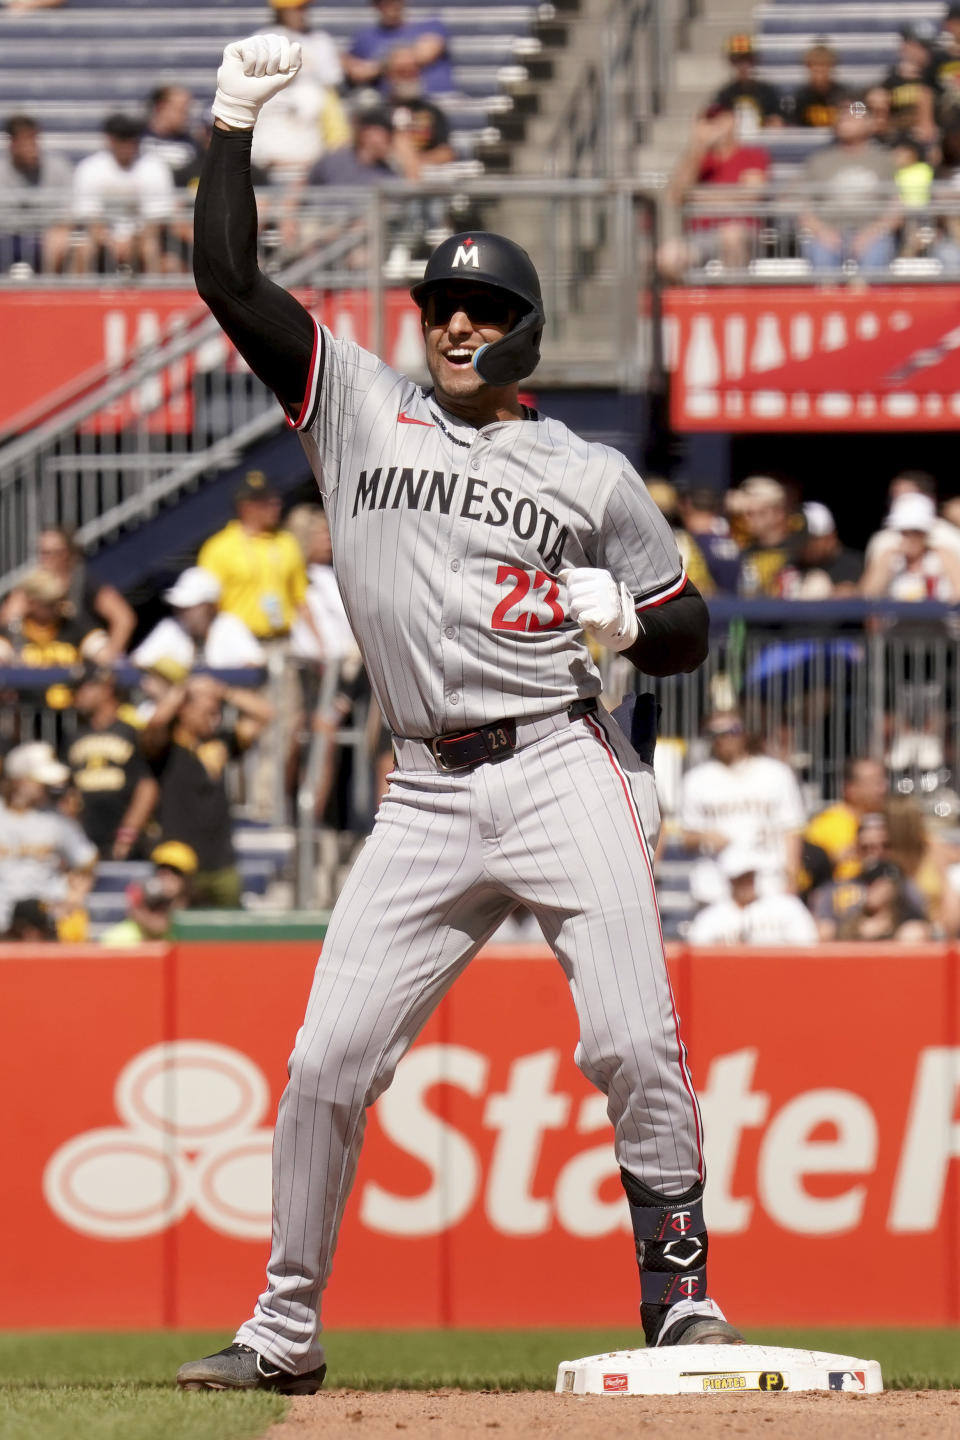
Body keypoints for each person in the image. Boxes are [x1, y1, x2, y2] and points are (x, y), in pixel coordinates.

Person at [177, 33, 739, 1394]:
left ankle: (680, 1299)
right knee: (322, 1064)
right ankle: (285, 1333)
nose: (455, 322)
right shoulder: (358, 406)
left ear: (527, 328)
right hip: (425, 789)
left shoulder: (590, 472)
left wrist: (624, 632)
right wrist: (232, 129)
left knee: (630, 1037)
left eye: (480, 307)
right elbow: (231, 280)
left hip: (558, 761)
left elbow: (684, 633)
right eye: (438, 304)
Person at [142, 673, 272, 908]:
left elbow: (265, 714)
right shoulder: (167, 745)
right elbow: (155, 725)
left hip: (222, 859)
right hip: (178, 860)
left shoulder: (220, 742)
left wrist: (223, 692)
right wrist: (183, 690)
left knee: (229, 935)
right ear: (184, 711)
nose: (215, 719)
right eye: (207, 713)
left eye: (217, 712)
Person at [679, 710, 807, 898]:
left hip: (768, 880)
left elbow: (791, 828)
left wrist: (792, 877)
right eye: (714, 734)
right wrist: (704, 836)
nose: (723, 739)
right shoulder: (695, 780)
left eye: (731, 731)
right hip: (716, 884)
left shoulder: (776, 773)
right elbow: (685, 837)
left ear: (744, 733)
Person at [658, 102, 770, 280]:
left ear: (733, 121)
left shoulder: (752, 155)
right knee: (668, 256)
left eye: (720, 119)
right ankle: (689, 304)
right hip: (701, 235)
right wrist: (698, 146)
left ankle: (732, 302)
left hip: (743, 232)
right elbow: (675, 196)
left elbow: (751, 197)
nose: (714, 125)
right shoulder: (698, 159)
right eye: (710, 120)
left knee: (731, 235)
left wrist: (698, 197)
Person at [0, 742, 97, 940]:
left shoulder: (57, 820)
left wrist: (73, 897)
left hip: (46, 920)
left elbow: (87, 860)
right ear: (19, 781)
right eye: (40, 782)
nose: (48, 787)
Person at [63, 662, 158, 860]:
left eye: (83, 687)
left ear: (106, 687)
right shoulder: (74, 736)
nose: (77, 694)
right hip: (87, 841)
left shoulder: (132, 730)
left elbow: (147, 786)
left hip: (128, 841)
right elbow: (70, 793)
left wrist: (127, 834)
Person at [0, 527, 135, 662]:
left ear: (67, 553)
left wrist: (109, 656)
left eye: (51, 553)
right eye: (41, 552)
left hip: (79, 656)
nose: (44, 558)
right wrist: (14, 614)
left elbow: (123, 618)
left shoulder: (84, 581)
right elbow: (6, 620)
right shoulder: (30, 586)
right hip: (35, 657)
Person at [799, 98, 900, 273]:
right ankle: (827, 298)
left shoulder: (884, 161)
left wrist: (871, 234)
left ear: (869, 122)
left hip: (873, 232)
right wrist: (822, 232)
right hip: (827, 233)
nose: (846, 118)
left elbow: (896, 207)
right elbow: (803, 207)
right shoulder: (819, 161)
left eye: (854, 114)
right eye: (842, 114)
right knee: (821, 257)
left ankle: (867, 299)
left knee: (876, 256)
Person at [70, 113, 176, 275]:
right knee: (83, 250)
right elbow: (90, 217)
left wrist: (133, 241)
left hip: (142, 238)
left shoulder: (154, 167)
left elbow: (156, 220)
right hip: (102, 239)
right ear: (110, 140)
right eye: (122, 138)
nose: (128, 144)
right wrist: (110, 241)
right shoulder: (90, 168)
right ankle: (79, 298)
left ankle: (152, 296)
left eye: (132, 138)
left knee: (151, 248)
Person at [132, 567, 265, 672]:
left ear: (210, 606)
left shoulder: (229, 625)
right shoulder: (172, 627)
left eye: (190, 607)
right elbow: (137, 662)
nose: (183, 612)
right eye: (180, 607)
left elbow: (255, 664)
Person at [687, 848, 818, 946]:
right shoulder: (710, 918)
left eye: (749, 877)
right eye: (739, 879)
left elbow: (808, 948)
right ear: (729, 880)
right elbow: (698, 956)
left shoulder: (787, 906)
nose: (746, 883)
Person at [0, 115, 73, 274]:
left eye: (33, 139)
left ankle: (54, 294)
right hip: (8, 235)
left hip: (48, 235)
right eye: (24, 140)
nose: (31, 146)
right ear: (12, 143)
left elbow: (69, 210)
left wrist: (59, 227)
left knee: (66, 241)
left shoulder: (58, 167)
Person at [0, 569, 108, 672]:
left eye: (60, 600)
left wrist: (100, 654)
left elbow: (102, 651)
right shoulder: (14, 628)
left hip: (68, 689)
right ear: (32, 603)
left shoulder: (70, 624)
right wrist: (9, 617)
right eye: (51, 603)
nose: (58, 607)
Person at [860, 491, 960, 602]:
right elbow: (867, 595)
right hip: (898, 618)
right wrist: (884, 564)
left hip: (937, 618)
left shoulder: (943, 556)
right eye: (904, 532)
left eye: (915, 532)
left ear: (926, 533)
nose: (910, 538)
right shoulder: (889, 558)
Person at [343, 0, 453, 97]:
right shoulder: (365, 39)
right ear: (374, 4)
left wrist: (376, 67)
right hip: (390, 108)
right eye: (382, 1)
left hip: (437, 100)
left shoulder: (431, 26)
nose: (389, 4)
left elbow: (426, 52)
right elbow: (355, 71)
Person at [804, 756, 888, 883]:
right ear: (849, 788)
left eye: (883, 780)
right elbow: (805, 871)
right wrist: (833, 859)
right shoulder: (825, 824)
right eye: (874, 782)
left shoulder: (893, 820)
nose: (883, 788)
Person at [100, 843, 197, 946]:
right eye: (161, 869)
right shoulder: (117, 940)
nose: (166, 876)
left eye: (175, 871)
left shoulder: (193, 933)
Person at [734, 476, 804, 598]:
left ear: (779, 513)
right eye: (746, 512)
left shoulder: (800, 551)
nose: (747, 518)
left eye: (757, 513)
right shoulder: (742, 553)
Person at [709, 33, 783, 134]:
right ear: (731, 62)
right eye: (737, 60)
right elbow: (714, 123)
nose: (743, 65)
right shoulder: (724, 94)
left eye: (747, 59)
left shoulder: (768, 92)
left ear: (754, 61)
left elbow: (778, 122)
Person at [880, 23, 939, 145]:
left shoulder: (938, 78)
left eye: (928, 47)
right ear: (904, 46)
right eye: (919, 46)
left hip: (936, 140)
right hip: (899, 141)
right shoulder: (891, 81)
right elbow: (858, 108)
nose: (924, 52)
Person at [676, 486, 741, 594]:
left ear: (687, 507)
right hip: (738, 607)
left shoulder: (687, 542)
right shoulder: (733, 540)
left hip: (708, 606)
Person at [793, 502, 863, 598]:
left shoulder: (853, 565)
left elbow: (853, 596)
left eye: (811, 539)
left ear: (830, 537)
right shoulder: (792, 563)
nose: (803, 544)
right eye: (798, 537)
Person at [786, 43, 847, 129]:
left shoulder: (844, 96)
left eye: (823, 69)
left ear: (832, 68)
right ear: (808, 69)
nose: (819, 76)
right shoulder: (800, 98)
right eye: (815, 70)